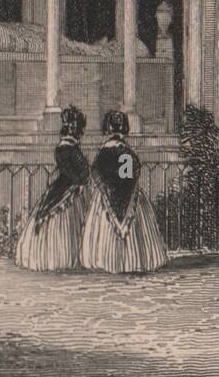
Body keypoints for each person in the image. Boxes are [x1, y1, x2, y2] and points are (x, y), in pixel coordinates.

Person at [80, 110, 168, 274]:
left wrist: (106, 186)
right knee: (134, 231)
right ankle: (132, 260)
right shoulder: (128, 151)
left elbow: (96, 172)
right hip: (130, 195)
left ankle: (109, 260)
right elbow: (135, 169)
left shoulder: (105, 151)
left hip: (107, 194)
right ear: (123, 129)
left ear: (108, 129)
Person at [14, 106, 90, 271]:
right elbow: (76, 172)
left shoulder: (66, 146)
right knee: (64, 226)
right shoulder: (67, 147)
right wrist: (81, 180)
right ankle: (62, 259)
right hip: (68, 191)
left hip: (68, 188)